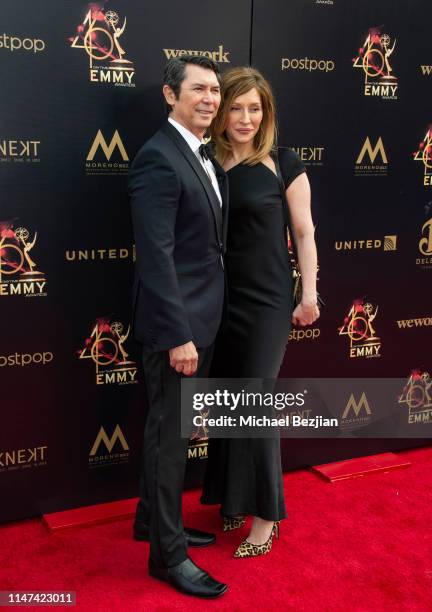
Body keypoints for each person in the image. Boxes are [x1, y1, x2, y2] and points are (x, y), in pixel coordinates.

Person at [201, 67, 320, 557]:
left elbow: (305, 232)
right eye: (236, 107)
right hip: (217, 301)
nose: (245, 117)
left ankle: (266, 517)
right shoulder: (206, 160)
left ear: (266, 112)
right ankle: (231, 499)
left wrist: (309, 294)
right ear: (221, 110)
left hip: (268, 301)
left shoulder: (283, 162)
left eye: (255, 108)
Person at [128, 55, 228, 597]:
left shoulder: (196, 152)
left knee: (169, 432)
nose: (210, 99)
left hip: (201, 321)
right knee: (169, 441)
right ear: (171, 95)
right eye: (198, 90)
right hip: (178, 330)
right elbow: (156, 256)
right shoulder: (158, 158)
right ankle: (167, 558)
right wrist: (177, 335)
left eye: (215, 90)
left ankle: (152, 521)